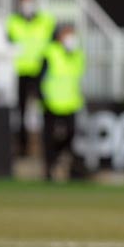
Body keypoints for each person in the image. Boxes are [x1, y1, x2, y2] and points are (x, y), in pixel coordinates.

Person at [6, 0, 56, 157]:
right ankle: (22, 147)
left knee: (47, 111)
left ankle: (47, 147)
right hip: (20, 72)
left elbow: (53, 44)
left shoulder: (45, 21)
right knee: (20, 112)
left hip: (40, 70)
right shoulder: (13, 22)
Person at [41, 22, 86, 181]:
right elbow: (42, 76)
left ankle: (67, 165)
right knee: (50, 138)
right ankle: (49, 169)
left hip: (71, 102)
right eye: (67, 34)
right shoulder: (51, 52)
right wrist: (42, 97)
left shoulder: (78, 55)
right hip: (52, 102)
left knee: (70, 136)